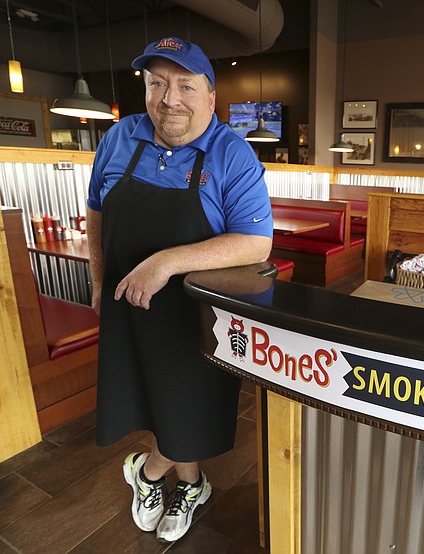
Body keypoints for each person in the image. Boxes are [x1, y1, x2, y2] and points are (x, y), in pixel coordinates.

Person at [86, 36, 273, 543]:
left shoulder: (232, 154)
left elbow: (256, 242)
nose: (170, 99)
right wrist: (99, 279)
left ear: (211, 97)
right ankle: (191, 485)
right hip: (129, 303)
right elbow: (97, 211)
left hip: (198, 317)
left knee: (191, 410)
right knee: (150, 400)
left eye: (185, 85)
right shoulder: (118, 137)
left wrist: (166, 262)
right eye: (157, 84)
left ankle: (146, 472)